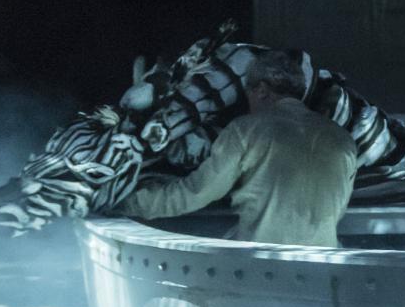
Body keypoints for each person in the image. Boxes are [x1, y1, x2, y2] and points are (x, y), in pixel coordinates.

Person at [114, 50, 357, 247]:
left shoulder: (245, 130)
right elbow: (334, 209)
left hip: (263, 270)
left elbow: (193, 194)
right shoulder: (342, 139)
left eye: (247, 94)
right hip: (326, 267)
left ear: (261, 90)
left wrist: (123, 200)